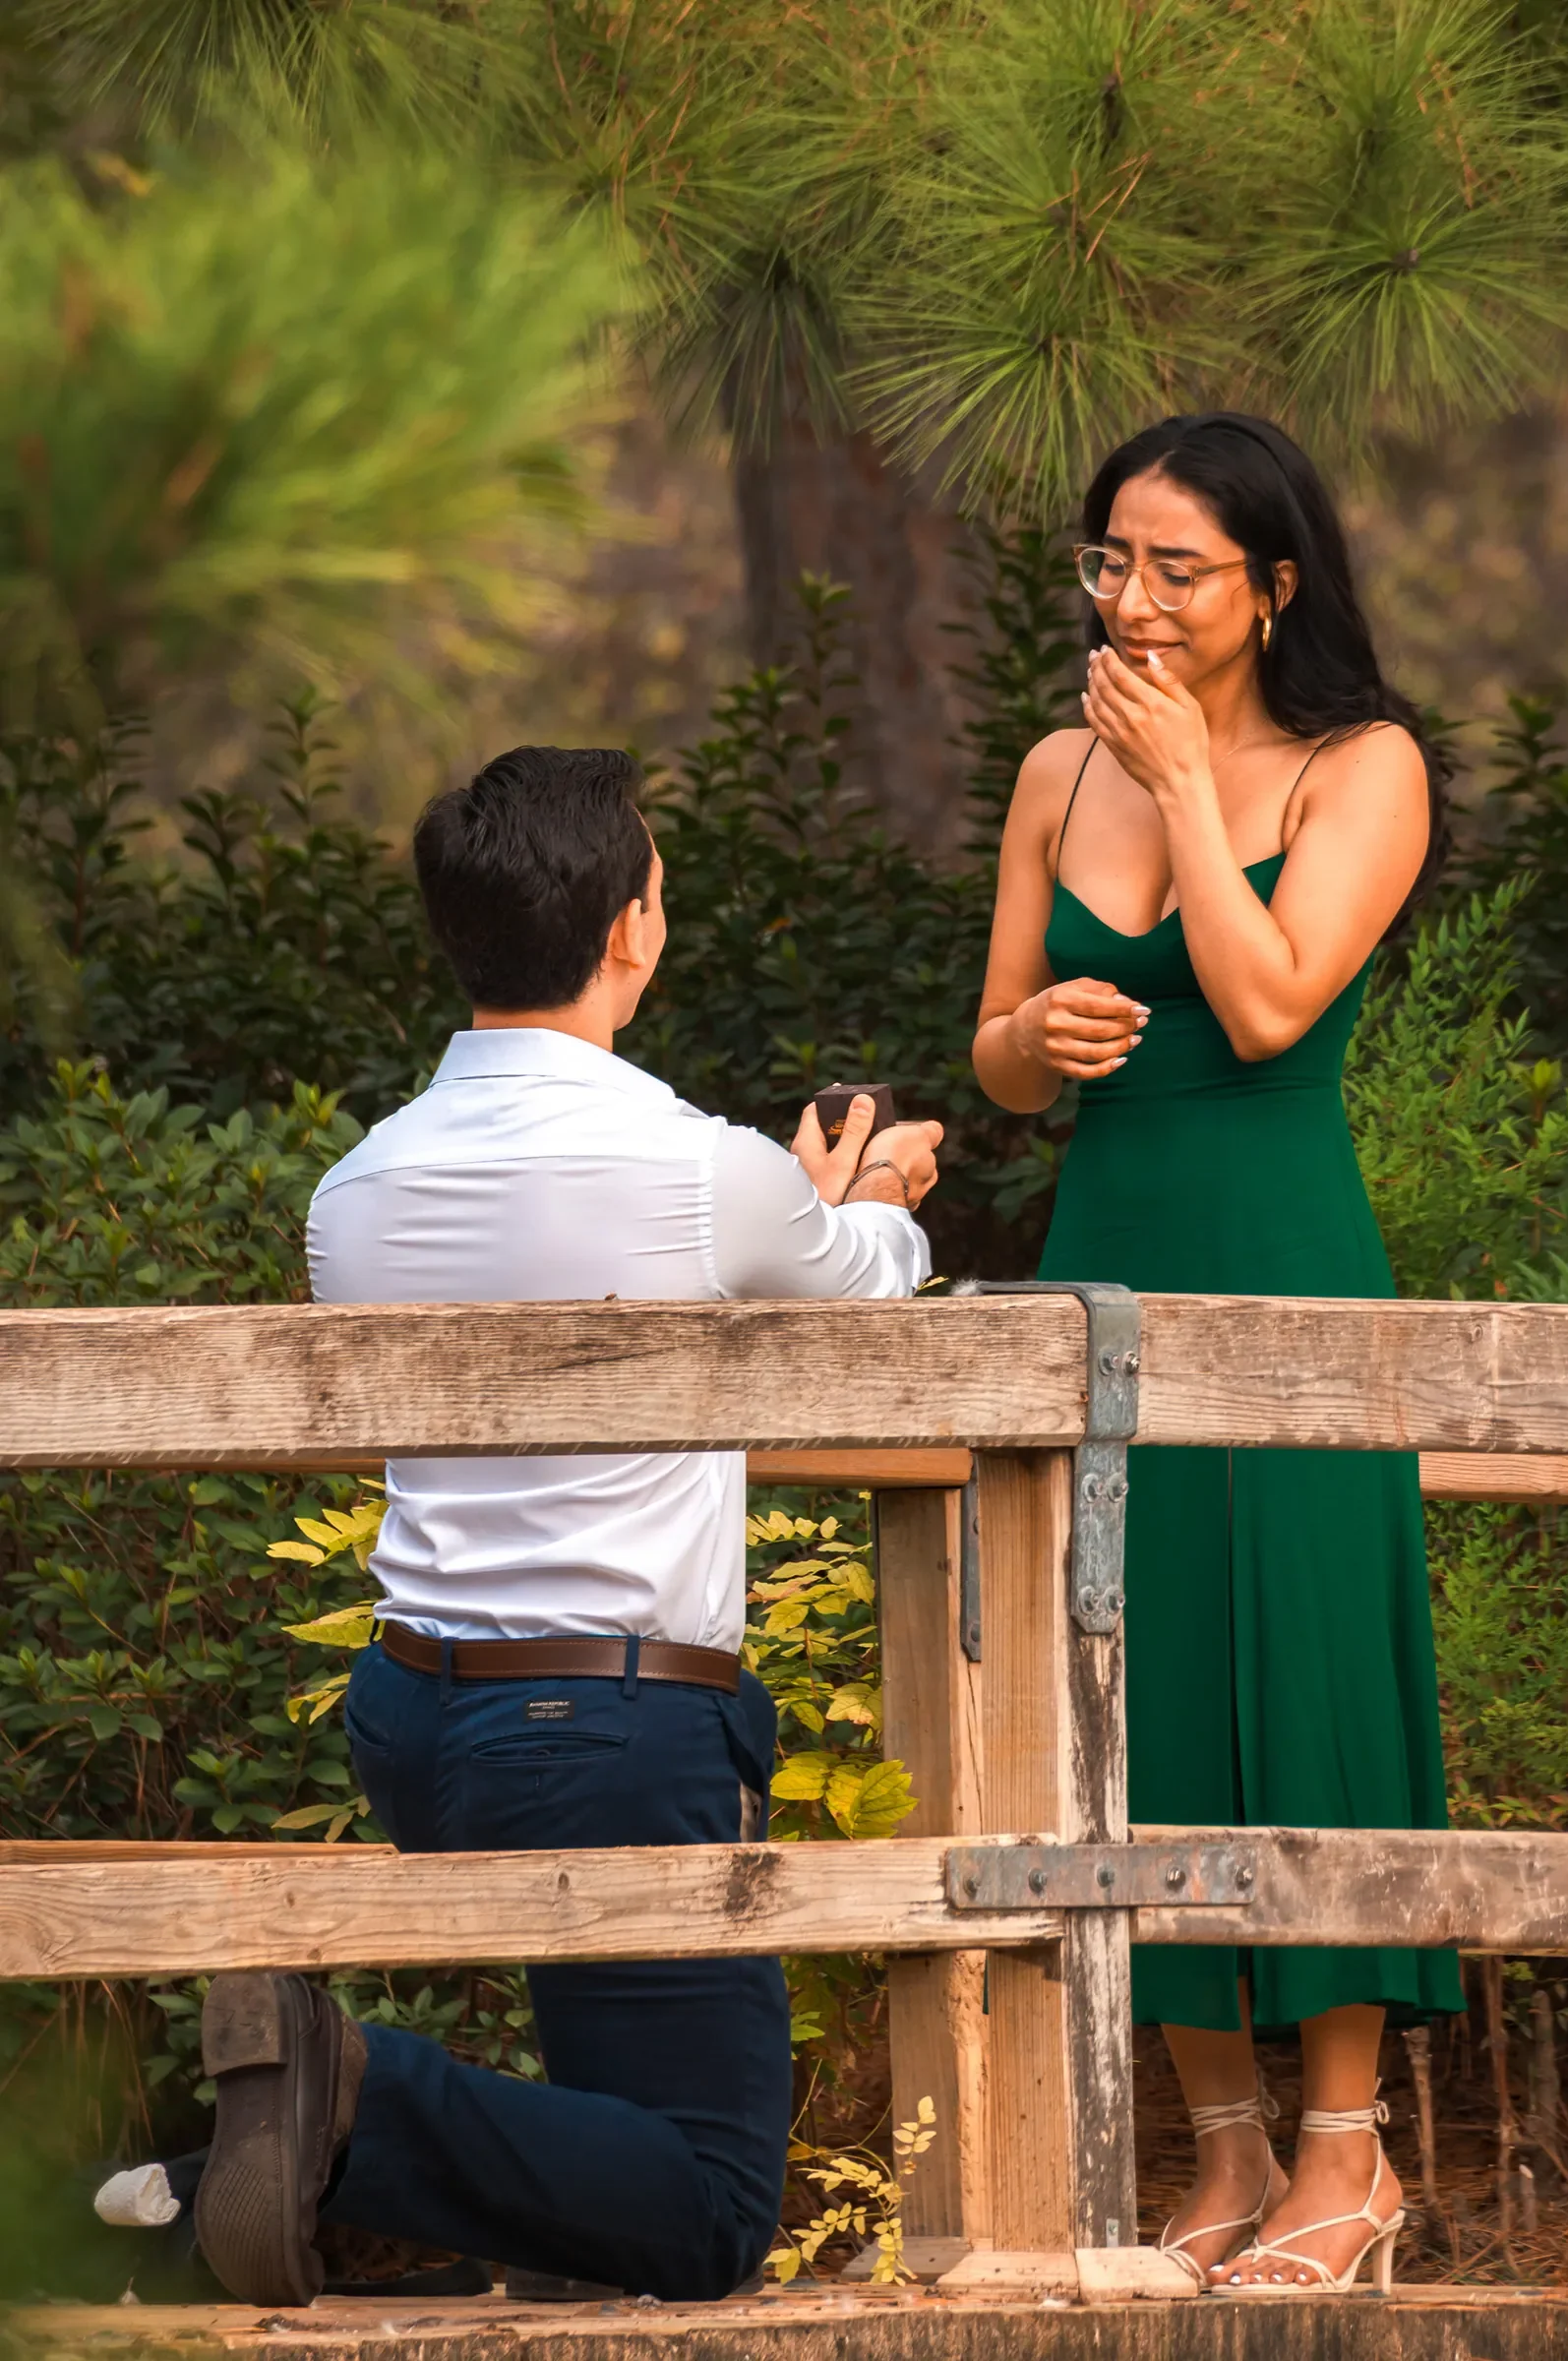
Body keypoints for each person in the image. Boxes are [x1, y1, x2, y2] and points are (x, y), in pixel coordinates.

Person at [187, 744, 943, 2309]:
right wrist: (874, 1197)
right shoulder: (707, 1171)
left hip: (414, 1717)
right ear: (630, 931)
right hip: (611, 1726)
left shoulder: (354, 1189)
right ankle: (349, 2090)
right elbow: (868, 1287)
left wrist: (786, 1209)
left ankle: (183, 2191)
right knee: (713, 2208)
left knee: (624, 2156)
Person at [972, 414, 1464, 2296]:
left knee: (1313, 1676)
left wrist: (1185, 778)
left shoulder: (1364, 766)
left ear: (1274, 583)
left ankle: (1349, 2152)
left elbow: (1266, 1008)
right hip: (1109, 1257)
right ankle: (1226, 2145)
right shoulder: (1051, 769)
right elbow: (998, 1061)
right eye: (1111, 560)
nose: (1135, 599)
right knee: (1139, 1676)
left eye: (1177, 567)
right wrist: (1040, 1042)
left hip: (1285, 1255)